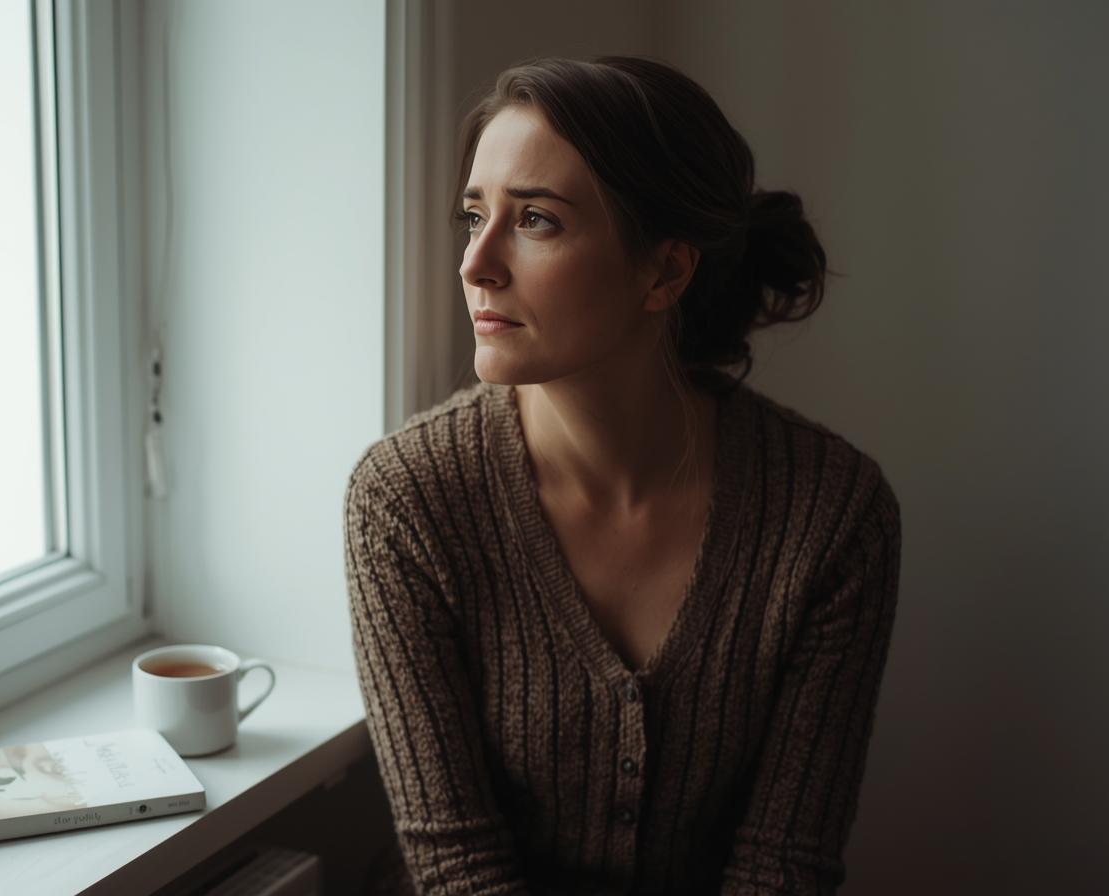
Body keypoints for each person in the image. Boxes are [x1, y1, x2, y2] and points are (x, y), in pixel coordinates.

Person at [343, 55, 902, 895]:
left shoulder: (831, 513)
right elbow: (456, 867)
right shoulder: (405, 500)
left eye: (535, 220)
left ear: (666, 271)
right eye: (473, 216)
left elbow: (783, 867)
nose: (475, 264)